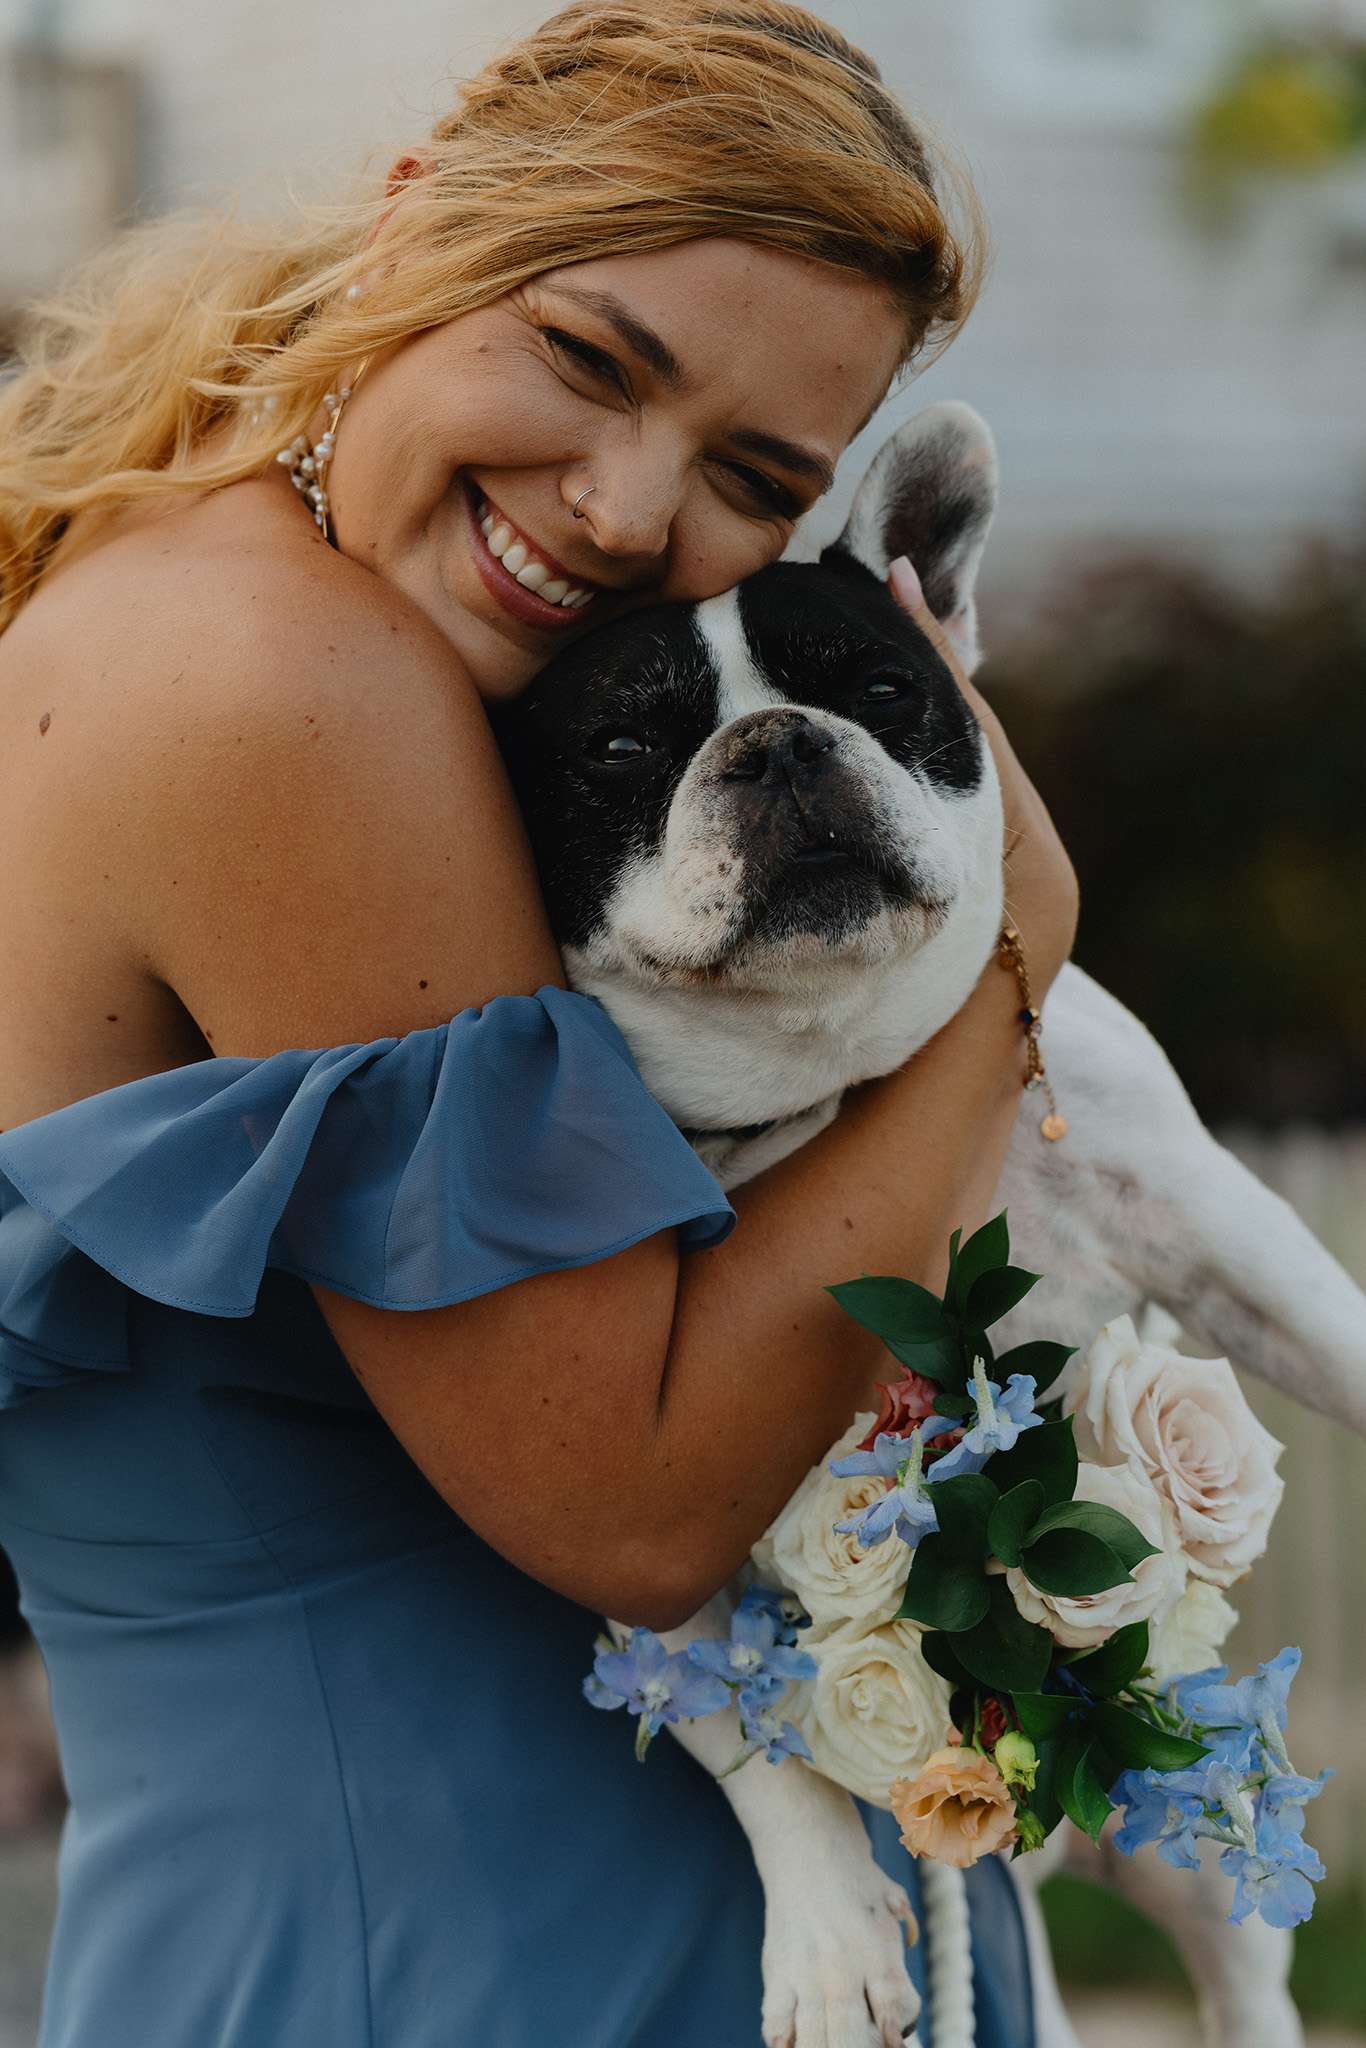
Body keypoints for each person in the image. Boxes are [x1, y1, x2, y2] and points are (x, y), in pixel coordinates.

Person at [0, 5, 1077, 2044]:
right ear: (419, 223)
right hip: (475, 1965)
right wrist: (1013, 941)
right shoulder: (284, 683)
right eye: (590, 359)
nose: (620, 511)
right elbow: (637, 1507)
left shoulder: (246, 604)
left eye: (752, 477)